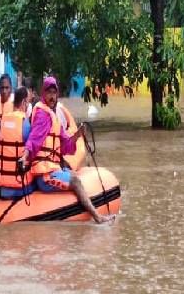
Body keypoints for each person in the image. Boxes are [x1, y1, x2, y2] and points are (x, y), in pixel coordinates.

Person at [21, 76, 114, 223]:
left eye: (54, 93)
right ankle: (98, 217)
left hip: (53, 168)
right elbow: (34, 139)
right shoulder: (42, 114)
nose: (52, 96)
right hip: (45, 175)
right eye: (49, 93)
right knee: (76, 181)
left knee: (72, 173)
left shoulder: (53, 115)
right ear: (43, 94)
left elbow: (66, 145)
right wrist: (25, 154)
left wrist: (78, 134)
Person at [0, 87, 33, 195]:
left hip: (3, 188)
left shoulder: (3, 120)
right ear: (23, 102)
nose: (28, 105)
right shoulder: (25, 123)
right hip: (20, 186)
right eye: (28, 102)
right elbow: (32, 151)